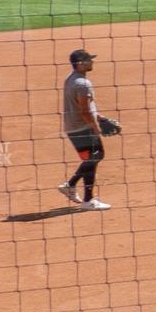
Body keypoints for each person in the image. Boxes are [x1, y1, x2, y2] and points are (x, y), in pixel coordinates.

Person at [57, 48, 117, 210]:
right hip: (83, 128)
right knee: (96, 156)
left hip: (73, 128)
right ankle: (85, 198)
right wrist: (96, 128)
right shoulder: (83, 84)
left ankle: (73, 188)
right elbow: (84, 110)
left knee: (91, 159)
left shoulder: (71, 79)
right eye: (89, 59)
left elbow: (82, 107)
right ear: (81, 63)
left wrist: (100, 117)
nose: (92, 62)